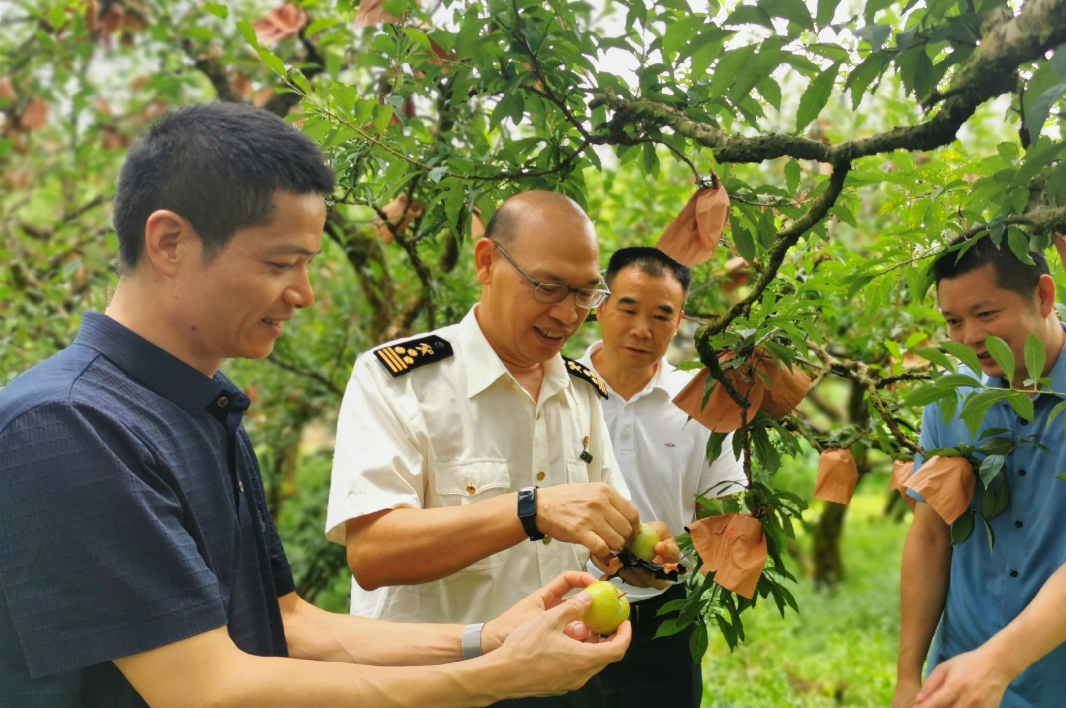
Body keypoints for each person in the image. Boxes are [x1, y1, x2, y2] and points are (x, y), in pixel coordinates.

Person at [0, 103, 627, 708]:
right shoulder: (73, 424)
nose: (302, 293)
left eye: (309, 265)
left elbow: (288, 625)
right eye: (281, 263)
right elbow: (205, 688)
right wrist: (493, 677)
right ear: (169, 242)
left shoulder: (202, 410)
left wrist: (484, 640)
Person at [326, 192, 679, 707]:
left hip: (558, 676)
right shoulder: (398, 381)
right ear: (487, 262)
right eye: (547, 287)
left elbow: (606, 538)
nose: (567, 314)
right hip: (437, 684)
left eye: (584, 294)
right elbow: (373, 553)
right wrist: (531, 510)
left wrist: (637, 557)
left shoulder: (578, 391)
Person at [891, 237, 1066, 708]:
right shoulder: (953, 398)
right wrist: (908, 678)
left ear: (1043, 296)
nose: (969, 337)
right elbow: (930, 537)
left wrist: (995, 665)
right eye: (953, 321)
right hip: (961, 679)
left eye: (986, 315)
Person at [577, 247, 746, 707]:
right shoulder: (558, 389)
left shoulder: (699, 400)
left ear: (680, 321)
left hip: (665, 614)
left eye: (660, 315)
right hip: (565, 610)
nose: (641, 330)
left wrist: (679, 558)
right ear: (600, 304)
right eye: (628, 308)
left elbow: (725, 512)